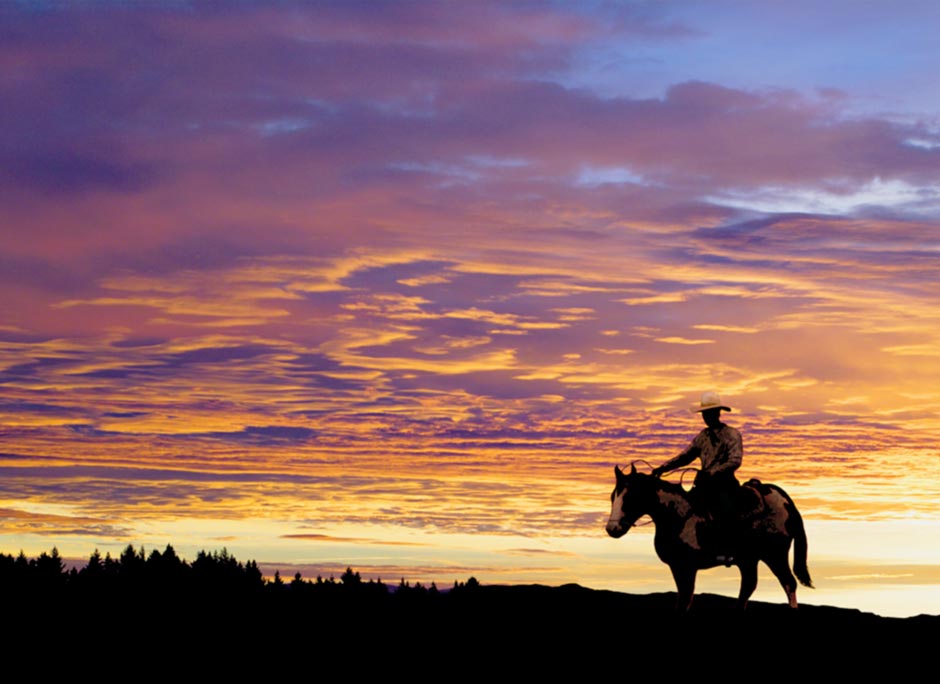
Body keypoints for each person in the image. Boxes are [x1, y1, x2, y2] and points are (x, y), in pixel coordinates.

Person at [652, 390, 743, 562]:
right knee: (685, 509)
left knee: (726, 512)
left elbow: (735, 460)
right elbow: (685, 456)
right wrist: (663, 468)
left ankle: (729, 550)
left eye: (710, 413)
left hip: (724, 484)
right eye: (705, 414)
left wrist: (714, 472)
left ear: (718, 413)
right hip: (704, 484)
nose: (707, 417)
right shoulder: (702, 436)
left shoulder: (732, 434)